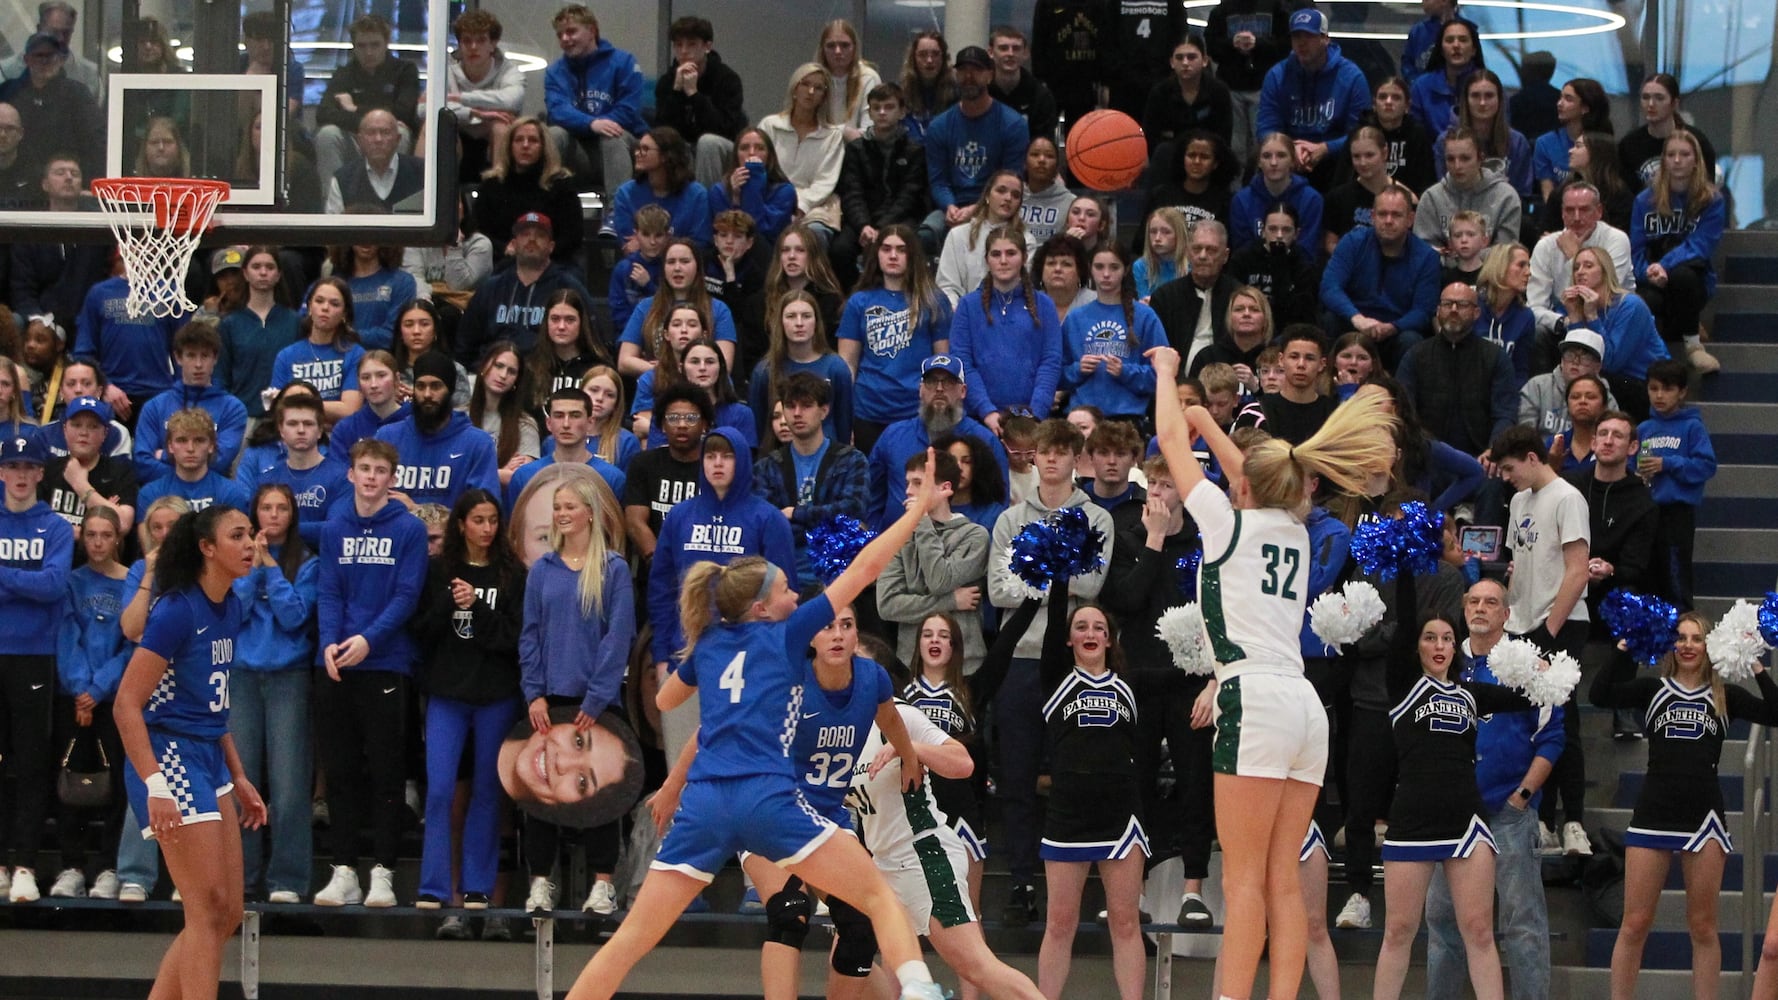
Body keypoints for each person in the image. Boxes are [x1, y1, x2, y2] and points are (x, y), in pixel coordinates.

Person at [560, 451, 955, 1000]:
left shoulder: (713, 642)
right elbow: (864, 568)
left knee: (630, 941)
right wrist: (916, 513)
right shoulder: (791, 633)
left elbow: (670, 699)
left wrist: (699, 659)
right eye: (785, 589)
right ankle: (919, 989)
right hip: (767, 798)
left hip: (705, 804)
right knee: (876, 898)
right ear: (763, 609)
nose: (796, 593)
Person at [1147, 347, 1397, 1000]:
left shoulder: (1225, 523)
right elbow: (1259, 470)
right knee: (1283, 876)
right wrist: (1207, 423)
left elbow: (1168, 439)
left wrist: (1168, 377)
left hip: (1251, 698)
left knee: (1244, 880)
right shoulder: (1295, 525)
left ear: (1241, 487)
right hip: (1306, 707)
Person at [112, 503, 264, 994]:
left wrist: (239, 774)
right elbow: (126, 705)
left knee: (229, 912)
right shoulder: (177, 609)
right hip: (169, 756)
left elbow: (211, 707)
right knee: (204, 912)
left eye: (250, 535)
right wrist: (156, 784)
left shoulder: (232, 605)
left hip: (209, 755)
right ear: (207, 548)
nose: (250, 544)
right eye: (237, 536)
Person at [1593, 612, 1778, 1000]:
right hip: (1653, 813)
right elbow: (1600, 693)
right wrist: (1627, 645)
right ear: (1670, 643)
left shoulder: (1726, 695)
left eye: (1697, 638)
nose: (1688, 645)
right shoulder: (1652, 690)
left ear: (1710, 645)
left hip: (1704, 818)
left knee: (1703, 926)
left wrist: (1757, 661)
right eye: (1681, 637)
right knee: (1635, 923)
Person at [1370, 595, 1538, 1000]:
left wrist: (1542, 670)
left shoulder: (1470, 694)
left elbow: (1527, 696)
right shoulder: (1404, 687)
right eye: (1430, 638)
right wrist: (1408, 561)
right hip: (1412, 821)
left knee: (1479, 932)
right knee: (1398, 931)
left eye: (1448, 638)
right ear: (1417, 647)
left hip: (1466, 823)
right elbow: (1406, 619)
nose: (1440, 646)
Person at [981, 419, 1115, 925]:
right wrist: (1052, 581)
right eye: (1045, 451)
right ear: (1033, 457)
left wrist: (1033, 573)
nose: (1053, 459)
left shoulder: (1096, 518)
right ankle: (1020, 880)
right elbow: (997, 591)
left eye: (1063, 451)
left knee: (1074, 778)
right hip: (1018, 660)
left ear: (1075, 458)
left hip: (1074, 664)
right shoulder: (1010, 520)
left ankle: (1075, 883)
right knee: (1014, 777)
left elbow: (1093, 580)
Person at [1420, 578, 1562, 1000]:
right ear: (1464, 609)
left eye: (1492, 602)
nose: (1481, 608)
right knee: (1442, 921)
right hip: (1451, 816)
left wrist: (1522, 797)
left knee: (1523, 924)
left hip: (1508, 812)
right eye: (1474, 601)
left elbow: (1552, 737)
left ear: (1506, 613)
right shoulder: (1442, 659)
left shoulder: (1527, 662)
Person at [312, 439, 429, 907]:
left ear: (392, 478)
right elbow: (328, 591)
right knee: (339, 772)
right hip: (338, 663)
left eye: (381, 470)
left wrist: (368, 641)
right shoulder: (336, 526)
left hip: (386, 661)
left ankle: (383, 870)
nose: (372, 477)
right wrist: (328, 643)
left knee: (385, 773)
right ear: (351, 473)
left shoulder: (409, 530)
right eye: (364, 468)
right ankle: (344, 870)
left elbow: (406, 595)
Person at [514, 471, 635, 916]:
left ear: (590, 512)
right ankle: (541, 882)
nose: (562, 515)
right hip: (550, 699)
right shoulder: (542, 571)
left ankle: (603, 885)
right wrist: (534, 693)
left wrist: (597, 698)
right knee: (542, 792)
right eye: (557, 508)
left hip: (598, 705)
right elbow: (529, 636)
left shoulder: (613, 569)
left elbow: (618, 635)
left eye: (569, 507)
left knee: (602, 793)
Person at [1490, 422, 1592, 854]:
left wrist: (1549, 629)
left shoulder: (1568, 498)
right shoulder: (1518, 501)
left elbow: (1578, 568)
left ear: (1533, 458)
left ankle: (1575, 822)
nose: (1508, 477)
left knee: (1562, 718)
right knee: (1533, 724)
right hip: (1522, 622)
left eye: (1512, 468)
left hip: (1561, 621)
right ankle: (1542, 819)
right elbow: (1519, 565)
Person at [648, 426, 796, 688]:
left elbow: (783, 593)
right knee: (683, 729)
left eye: (727, 456)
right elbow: (661, 587)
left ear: (742, 460)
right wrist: (661, 655)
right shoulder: (680, 516)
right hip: (685, 653)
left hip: (748, 657)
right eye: (710, 456)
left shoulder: (768, 518)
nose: (718, 463)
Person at [228, 484, 317, 905]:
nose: (273, 515)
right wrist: (253, 569)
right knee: (241, 783)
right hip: (241, 676)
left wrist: (272, 569)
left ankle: (287, 880)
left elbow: (294, 616)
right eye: (266, 507)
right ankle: (241, 877)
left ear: (293, 515)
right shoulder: (234, 562)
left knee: (288, 786)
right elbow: (234, 613)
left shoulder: (309, 562)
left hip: (288, 677)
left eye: (282, 507)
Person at [0, 433, 74, 903]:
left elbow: (53, 585)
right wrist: (24, 582)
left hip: (33, 653)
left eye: (30, 467)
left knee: (29, 761)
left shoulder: (58, 527)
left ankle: (24, 862)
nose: (22, 475)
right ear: (1, 471)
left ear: (42, 473)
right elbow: (39, 582)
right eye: (13, 466)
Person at [48, 508, 130, 901]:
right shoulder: (71, 583)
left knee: (116, 784)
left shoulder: (131, 580)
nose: (98, 542)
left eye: (106, 535)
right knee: (70, 780)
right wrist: (82, 689)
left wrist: (98, 689)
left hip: (114, 700)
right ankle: (72, 865)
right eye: (92, 535)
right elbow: (67, 636)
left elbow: (132, 643)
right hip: (74, 698)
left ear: (118, 539)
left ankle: (108, 867)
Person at [838, 227, 952, 451]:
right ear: (876, 254)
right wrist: (844, 417)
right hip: (867, 410)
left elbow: (943, 361)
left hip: (916, 410)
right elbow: (847, 366)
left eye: (901, 250)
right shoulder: (858, 302)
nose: (893, 255)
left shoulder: (934, 300)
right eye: (886, 249)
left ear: (912, 255)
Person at [878, 450, 992, 674]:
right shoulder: (898, 536)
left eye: (918, 483)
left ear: (945, 488)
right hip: (911, 664)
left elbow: (939, 579)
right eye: (908, 483)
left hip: (964, 664)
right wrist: (950, 601)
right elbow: (888, 605)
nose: (909, 491)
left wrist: (921, 520)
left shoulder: (975, 536)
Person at [751, 372, 869, 583]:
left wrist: (795, 514)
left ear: (824, 411)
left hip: (837, 578)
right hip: (782, 578)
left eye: (806, 406)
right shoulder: (766, 467)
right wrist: (823, 523)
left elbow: (852, 511)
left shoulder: (851, 460)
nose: (797, 413)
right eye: (790, 406)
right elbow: (766, 524)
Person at [1629, 129, 1725, 372]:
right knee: (1643, 300)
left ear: (1696, 160)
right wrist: (1648, 272)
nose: (1677, 160)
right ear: (1664, 160)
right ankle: (1653, 358)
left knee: (1683, 276)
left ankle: (1693, 348)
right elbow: (1636, 248)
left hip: (1692, 280)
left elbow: (1700, 246)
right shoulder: (1644, 201)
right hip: (1654, 279)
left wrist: (1665, 266)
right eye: (1671, 154)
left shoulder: (1711, 200)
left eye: (1684, 154)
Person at [948, 229, 1062, 429]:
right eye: (995, 254)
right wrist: (987, 411)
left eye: (1011, 253)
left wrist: (1036, 414)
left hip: (1032, 420)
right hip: (978, 419)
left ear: (1024, 257)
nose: (1003, 260)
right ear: (986, 260)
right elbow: (962, 362)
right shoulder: (968, 305)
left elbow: (1050, 361)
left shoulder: (1044, 305)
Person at [1320, 184, 1441, 370]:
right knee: (1330, 319)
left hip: (1396, 332)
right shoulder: (1352, 242)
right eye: (1382, 214)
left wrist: (1393, 327)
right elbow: (1329, 287)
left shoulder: (1427, 257)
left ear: (1410, 219)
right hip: (1354, 325)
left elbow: (1423, 311)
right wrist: (1357, 318)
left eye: (1396, 215)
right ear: (1372, 216)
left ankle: (1402, 396)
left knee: (1412, 339)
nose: (1388, 220)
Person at [1396, 283, 1518, 456]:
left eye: (1462, 305)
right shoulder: (1416, 356)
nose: (1453, 310)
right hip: (1425, 456)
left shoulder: (1495, 358)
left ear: (1477, 313)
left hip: (1480, 458)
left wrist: (1494, 449)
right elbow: (1404, 411)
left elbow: (1505, 413)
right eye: (1447, 304)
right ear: (1438, 311)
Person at [459, 212, 597, 364]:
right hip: (494, 373)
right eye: (525, 234)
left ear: (551, 246)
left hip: (547, 374)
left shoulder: (568, 287)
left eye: (540, 235)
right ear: (513, 244)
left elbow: (592, 339)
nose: (531, 239)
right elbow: (465, 344)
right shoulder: (491, 288)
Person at [923, 46, 1029, 240]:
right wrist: (950, 207)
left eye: (976, 70)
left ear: (990, 75)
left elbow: (1012, 180)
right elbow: (938, 180)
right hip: (951, 208)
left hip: (996, 207)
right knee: (926, 235)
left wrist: (977, 209)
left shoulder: (1013, 124)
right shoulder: (939, 126)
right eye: (963, 71)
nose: (969, 77)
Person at [1255, 10, 1371, 186]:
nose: (1302, 43)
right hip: (1289, 156)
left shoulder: (1352, 77)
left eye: (1309, 36)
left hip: (1335, 158)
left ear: (1325, 39)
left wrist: (1326, 148)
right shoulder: (1277, 75)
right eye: (1296, 37)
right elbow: (1266, 126)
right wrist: (1288, 149)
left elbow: (1361, 133)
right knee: (1256, 162)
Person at [543, 4, 646, 201]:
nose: (565, 39)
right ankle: (548, 207)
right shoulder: (555, 72)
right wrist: (592, 124)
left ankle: (617, 214)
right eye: (560, 35)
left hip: (623, 149)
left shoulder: (624, 62)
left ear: (592, 30)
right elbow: (558, 111)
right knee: (553, 134)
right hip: (579, 154)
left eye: (571, 31)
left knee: (611, 136)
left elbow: (628, 110)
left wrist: (600, 126)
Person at [374, 353, 500, 510]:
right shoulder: (387, 437)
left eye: (435, 386)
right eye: (420, 386)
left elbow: (483, 515)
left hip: (451, 534)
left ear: (451, 390)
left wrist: (418, 512)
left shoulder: (478, 444)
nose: (427, 394)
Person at [1638, 359, 1715, 610]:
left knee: (1675, 578)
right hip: (1646, 513)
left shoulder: (1692, 426)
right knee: (1648, 578)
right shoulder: (1643, 429)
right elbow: (1631, 465)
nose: (1659, 395)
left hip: (1676, 514)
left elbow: (1705, 466)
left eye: (1668, 389)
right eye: (1654, 388)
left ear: (1682, 392)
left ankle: (1682, 636)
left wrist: (1667, 464)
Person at [1061, 246, 1167, 426]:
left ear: (1125, 270)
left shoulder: (1145, 317)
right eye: (1099, 267)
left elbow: (1163, 375)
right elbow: (1056, 374)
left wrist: (1125, 372)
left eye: (1114, 267)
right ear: (1090, 269)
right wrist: (1078, 369)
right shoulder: (1075, 318)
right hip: (1081, 419)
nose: (1106, 274)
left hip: (1127, 418)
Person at [133, 321, 250, 483]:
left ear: (215, 358)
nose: (198, 365)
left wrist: (164, 455)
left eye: (205, 356)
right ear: (178, 358)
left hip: (212, 497)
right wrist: (185, 476)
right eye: (191, 355)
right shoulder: (154, 407)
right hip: (163, 499)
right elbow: (142, 463)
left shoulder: (233, 408)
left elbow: (219, 462)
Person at [1560, 246, 1669, 421]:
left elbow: (1610, 362)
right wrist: (1574, 317)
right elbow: (1578, 354)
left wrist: (1592, 317)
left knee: (1593, 382)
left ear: (1604, 271)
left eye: (1588, 266)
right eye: (1576, 267)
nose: (1580, 272)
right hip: (1609, 379)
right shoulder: (1580, 305)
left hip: (1644, 383)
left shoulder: (1631, 305)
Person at [835, 83, 932, 280]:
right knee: (840, 250)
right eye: (876, 107)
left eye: (889, 107)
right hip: (863, 220)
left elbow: (910, 196)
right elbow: (852, 193)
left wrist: (882, 227)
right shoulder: (856, 149)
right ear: (869, 112)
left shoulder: (914, 151)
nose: (882, 112)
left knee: (908, 243)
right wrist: (864, 226)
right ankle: (852, 297)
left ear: (902, 111)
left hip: (901, 218)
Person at [313, 14, 419, 185]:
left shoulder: (404, 71)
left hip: (386, 138)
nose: (368, 52)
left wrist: (354, 109)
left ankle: (394, 198)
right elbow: (324, 114)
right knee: (327, 134)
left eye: (375, 45)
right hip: (355, 139)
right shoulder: (344, 73)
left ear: (386, 44)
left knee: (401, 133)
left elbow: (404, 113)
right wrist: (374, 119)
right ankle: (332, 202)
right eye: (362, 46)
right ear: (354, 47)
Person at [1527, 182, 1635, 340]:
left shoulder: (1616, 239)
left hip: (1612, 320)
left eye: (1584, 210)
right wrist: (1563, 322)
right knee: (1537, 333)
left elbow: (1604, 294)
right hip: (1564, 322)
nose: (1576, 217)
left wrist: (1574, 257)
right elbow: (1535, 306)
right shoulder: (1546, 246)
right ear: (1562, 213)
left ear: (1598, 212)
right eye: (1570, 210)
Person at [616, 239, 739, 376]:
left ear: (698, 267)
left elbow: (725, 365)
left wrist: (684, 370)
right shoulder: (646, 307)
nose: (677, 268)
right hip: (657, 387)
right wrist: (661, 370)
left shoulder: (718, 309)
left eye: (685, 261)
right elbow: (624, 361)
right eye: (671, 262)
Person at [474, 116, 584, 267]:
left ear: (543, 146)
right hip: (503, 261)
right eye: (519, 140)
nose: (525, 145)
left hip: (553, 263)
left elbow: (573, 235)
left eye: (533, 140)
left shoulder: (561, 184)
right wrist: (505, 248)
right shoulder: (492, 184)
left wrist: (539, 252)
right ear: (509, 146)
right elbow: (479, 230)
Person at [749, 291, 855, 446]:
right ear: (780, 322)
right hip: (779, 458)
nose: (799, 323)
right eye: (791, 316)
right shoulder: (765, 371)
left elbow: (844, 423)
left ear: (816, 322)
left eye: (806, 316)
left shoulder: (836, 367)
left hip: (828, 458)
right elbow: (758, 425)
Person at [652, 16, 748, 187]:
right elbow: (661, 132)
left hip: (722, 148)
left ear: (707, 46)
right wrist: (676, 91)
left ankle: (706, 205)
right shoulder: (668, 81)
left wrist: (694, 95)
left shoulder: (727, 78)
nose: (683, 51)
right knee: (673, 147)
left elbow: (725, 129)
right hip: (686, 147)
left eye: (691, 44)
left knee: (707, 142)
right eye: (678, 45)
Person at [758, 64, 847, 241]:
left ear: (824, 96)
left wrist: (800, 207)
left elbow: (825, 181)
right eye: (805, 84)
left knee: (814, 235)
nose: (811, 91)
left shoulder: (832, 135)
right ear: (794, 88)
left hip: (814, 206)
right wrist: (783, 206)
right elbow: (761, 168)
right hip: (773, 198)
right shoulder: (770, 125)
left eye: (819, 87)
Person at [1204, 0, 1295, 164]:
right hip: (1230, 86)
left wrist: (1258, 44)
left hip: (1264, 86)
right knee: (1234, 144)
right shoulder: (1222, 9)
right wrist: (1232, 43)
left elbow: (1286, 45)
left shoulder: (1276, 6)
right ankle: (1236, 186)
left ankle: (1262, 182)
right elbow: (1211, 47)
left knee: (1262, 142)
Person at [217, 247, 300, 423]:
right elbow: (220, 376)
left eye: (270, 267)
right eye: (256, 267)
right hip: (242, 416)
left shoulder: (294, 321)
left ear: (278, 275)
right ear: (245, 274)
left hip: (287, 417)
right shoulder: (230, 323)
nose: (263, 272)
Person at [439, 9, 525, 180]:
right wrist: (474, 113)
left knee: (501, 126)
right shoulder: (444, 70)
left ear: (493, 44)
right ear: (459, 44)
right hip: (457, 131)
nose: (473, 47)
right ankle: (426, 198)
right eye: (467, 41)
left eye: (481, 40)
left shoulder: (509, 70)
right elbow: (422, 108)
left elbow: (513, 101)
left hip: (492, 133)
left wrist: (463, 98)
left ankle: (500, 196)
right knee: (434, 127)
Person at [507, 388, 627, 507]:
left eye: (575, 416)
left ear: (590, 422)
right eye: (559, 416)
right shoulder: (525, 476)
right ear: (549, 423)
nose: (566, 424)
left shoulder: (611, 478)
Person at [272, 277, 365, 426]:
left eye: (334, 304)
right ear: (309, 307)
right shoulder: (286, 356)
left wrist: (297, 401)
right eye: (319, 301)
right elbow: (277, 408)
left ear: (344, 314)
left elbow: (350, 410)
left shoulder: (355, 354)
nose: (325, 308)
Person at [42, 396, 138, 535]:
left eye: (93, 426)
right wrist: (104, 509)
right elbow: (36, 525)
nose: (84, 433)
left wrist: (81, 485)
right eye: (76, 425)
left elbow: (122, 524)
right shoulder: (48, 470)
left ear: (104, 433)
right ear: (65, 429)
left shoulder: (120, 472)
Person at [605, 126, 713, 249]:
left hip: (682, 265)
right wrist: (676, 242)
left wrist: (649, 244)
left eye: (645, 149)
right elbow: (629, 246)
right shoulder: (625, 193)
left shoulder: (697, 195)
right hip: (638, 265)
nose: (637, 153)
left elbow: (700, 244)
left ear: (665, 156)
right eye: (637, 148)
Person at [1415, 130, 1522, 251]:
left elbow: (1505, 253)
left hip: (1492, 269)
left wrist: (1468, 259)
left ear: (1480, 158)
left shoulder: (1506, 197)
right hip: (1443, 269)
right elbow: (1423, 250)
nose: (1457, 166)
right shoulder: (1431, 198)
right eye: (1450, 159)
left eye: (1465, 158)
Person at [137, 409, 252, 514]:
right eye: (182, 440)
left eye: (199, 440)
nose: (190, 448)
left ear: (211, 445)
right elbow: (146, 536)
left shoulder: (231, 493)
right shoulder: (150, 494)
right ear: (170, 446)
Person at [937, 172, 1025, 307]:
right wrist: (963, 316)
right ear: (987, 196)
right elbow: (947, 287)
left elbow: (1025, 288)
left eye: (1015, 195)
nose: (1008, 198)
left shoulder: (1026, 240)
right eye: (1001, 191)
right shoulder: (958, 235)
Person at [1144, 32, 1234, 165]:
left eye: (1191, 57)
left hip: (1208, 160)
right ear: (1171, 62)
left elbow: (1223, 139)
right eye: (1179, 58)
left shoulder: (1219, 92)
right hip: (1170, 161)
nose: (1185, 63)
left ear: (1204, 61)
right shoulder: (1159, 93)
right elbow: (1151, 137)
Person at [1618, 73, 1717, 193]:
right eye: (1645, 97)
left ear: (1674, 103)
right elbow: (1625, 195)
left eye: (1659, 98)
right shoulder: (1629, 145)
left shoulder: (1696, 141)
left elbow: (1708, 190)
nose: (1651, 104)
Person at [1231, 134, 1325, 260]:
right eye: (1266, 156)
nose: (1273, 162)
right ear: (1259, 161)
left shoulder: (1312, 200)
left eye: (1281, 155)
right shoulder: (1241, 200)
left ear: (1292, 160)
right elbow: (1241, 254)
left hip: (1297, 274)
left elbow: (1308, 252)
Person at [323, 109, 425, 215]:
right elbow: (333, 228)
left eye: (385, 132)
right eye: (371, 133)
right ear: (359, 140)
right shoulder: (342, 179)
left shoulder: (423, 172)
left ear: (398, 139)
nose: (378, 139)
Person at [1531, 78, 1613, 203]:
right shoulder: (1545, 143)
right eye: (1560, 97)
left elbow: (1610, 189)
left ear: (1585, 107)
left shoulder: (1603, 143)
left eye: (1568, 99)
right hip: (1559, 212)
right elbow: (1548, 194)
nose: (1559, 103)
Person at [1408, 17, 1483, 137]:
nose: (1456, 45)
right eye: (1449, 40)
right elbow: (1416, 139)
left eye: (1463, 40)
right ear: (1441, 50)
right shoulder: (1421, 88)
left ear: (1474, 49)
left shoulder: (1489, 86)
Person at [392, 301, 472, 411]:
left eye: (424, 324)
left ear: (435, 330)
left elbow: (462, 413)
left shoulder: (455, 370)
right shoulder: (389, 372)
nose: (416, 331)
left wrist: (420, 399)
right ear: (400, 332)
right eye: (409, 325)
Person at [987, 25, 1059, 140]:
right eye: (1003, 48)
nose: (1010, 54)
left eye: (1016, 48)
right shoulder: (982, 92)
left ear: (1026, 53)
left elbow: (1043, 145)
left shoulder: (1041, 97)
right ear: (990, 52)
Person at [817, 20, 881, 141]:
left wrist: (832, 131)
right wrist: (844, 131)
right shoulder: (813, 78)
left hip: (856, 153)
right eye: (831, 46)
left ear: (854, 48)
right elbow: (807, 128)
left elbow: (869, 133)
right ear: (823, 49)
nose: (838, 51)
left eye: (844, 45)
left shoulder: (868, 78)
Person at [900, 30, 958, 143]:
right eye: (922, 55)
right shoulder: (902, 93)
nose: (929, 60)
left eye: (935, 54)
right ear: (913, 58)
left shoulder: (957, 93)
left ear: (944, 58)